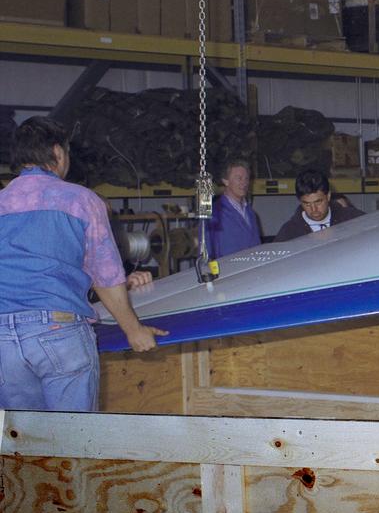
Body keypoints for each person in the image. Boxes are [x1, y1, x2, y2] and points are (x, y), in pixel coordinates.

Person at [0, 116, 167, 410]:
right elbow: (105, 274)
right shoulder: (81, 200)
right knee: (71, 442)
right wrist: (133, 330)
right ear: (58, 152)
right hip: (57, 333)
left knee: (21, 444)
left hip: (3, 340)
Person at [274, 168, 365, 242]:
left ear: (328, 196)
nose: (314, 210)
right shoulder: (289, 232)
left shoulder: (353, 219)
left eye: (318, 202)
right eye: (307, 204)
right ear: (300, 201)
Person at [207, 158, 261, 259]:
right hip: (228, 271)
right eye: (239, 178)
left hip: (251, 270)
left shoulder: (250, 213)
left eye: (246, 178)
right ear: (226, 181)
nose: (244, 183)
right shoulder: (214, 213)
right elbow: (207, 251)